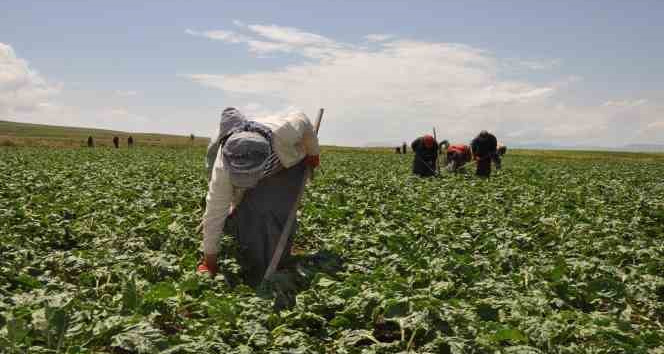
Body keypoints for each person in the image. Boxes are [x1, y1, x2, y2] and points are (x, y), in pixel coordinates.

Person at [199, 107, 321, 286]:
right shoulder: (223, 167)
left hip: (287, 163)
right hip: (257, 161)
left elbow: (303, 119)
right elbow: (215, 211)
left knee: (275, 208)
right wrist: (209, 262)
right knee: (239, 208)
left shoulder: (285, 132)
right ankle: (242, 236)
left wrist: (313, 152)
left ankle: (278, 256)